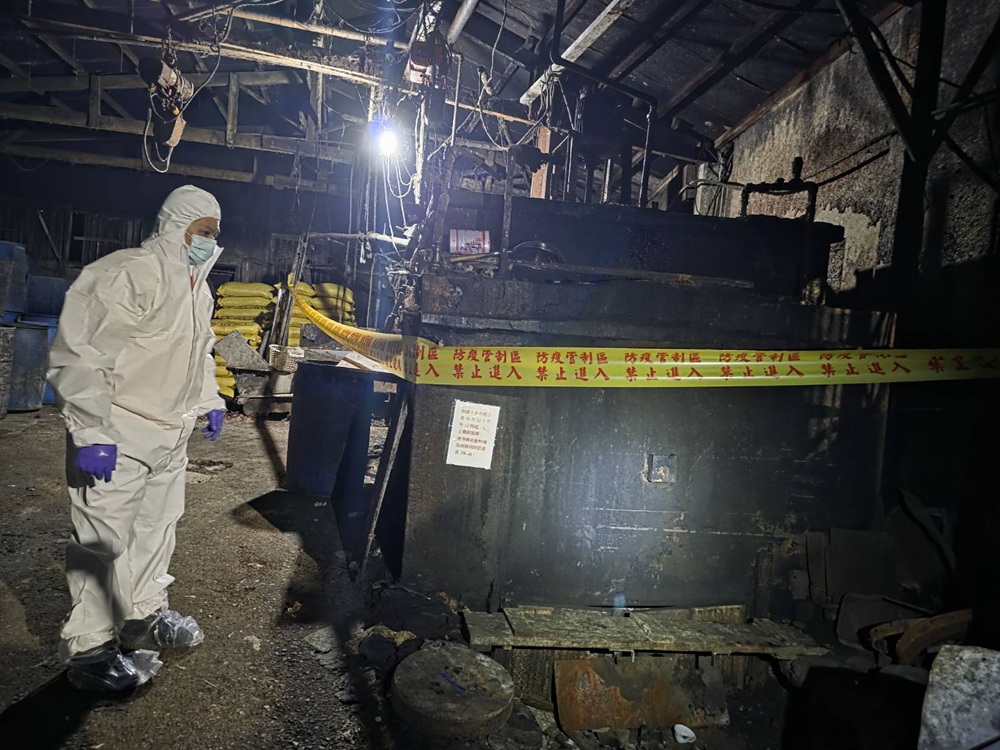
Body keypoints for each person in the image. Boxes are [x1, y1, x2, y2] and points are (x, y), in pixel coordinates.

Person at [48, 185, 227, 692]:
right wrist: (90, 430)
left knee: (157, 528)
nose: (210, 242)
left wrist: (209, 401)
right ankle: (90, 649)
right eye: (203, 232)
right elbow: (80, 355)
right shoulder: (129, 272)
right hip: (118, 433)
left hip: (170, 432)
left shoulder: (199, 287)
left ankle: (142, 614)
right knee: (101, 541)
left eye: (215, 234)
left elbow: (200, 352)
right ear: (177, 225)